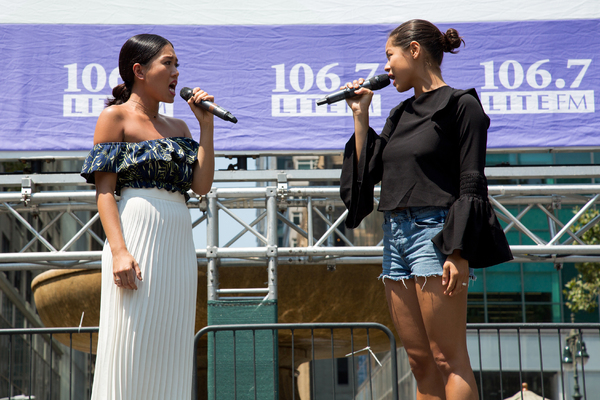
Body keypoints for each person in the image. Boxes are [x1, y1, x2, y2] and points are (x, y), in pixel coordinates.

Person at [340, 20, 513, 400]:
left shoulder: (461, 105)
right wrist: (359, 116)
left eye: (390, 56)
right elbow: (366, 177)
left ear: (414, 51)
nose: (385, 67)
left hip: (437, 233)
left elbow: (472, 181)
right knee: (419, 361)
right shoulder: (400, 113)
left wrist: (458, 250)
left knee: (447, 357)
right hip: (396, 235)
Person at [80, 33, 215, 400]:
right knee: (128, 343)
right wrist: (120, 251)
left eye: (177, 65)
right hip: (135, 233)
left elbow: (201, 186)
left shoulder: (181, 129)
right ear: (139, 71)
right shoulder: (114, 117)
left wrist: (206, 127)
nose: (175, 72)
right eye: (167, 63)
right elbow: (104, 191)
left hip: (177, 237)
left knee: (171, 345)